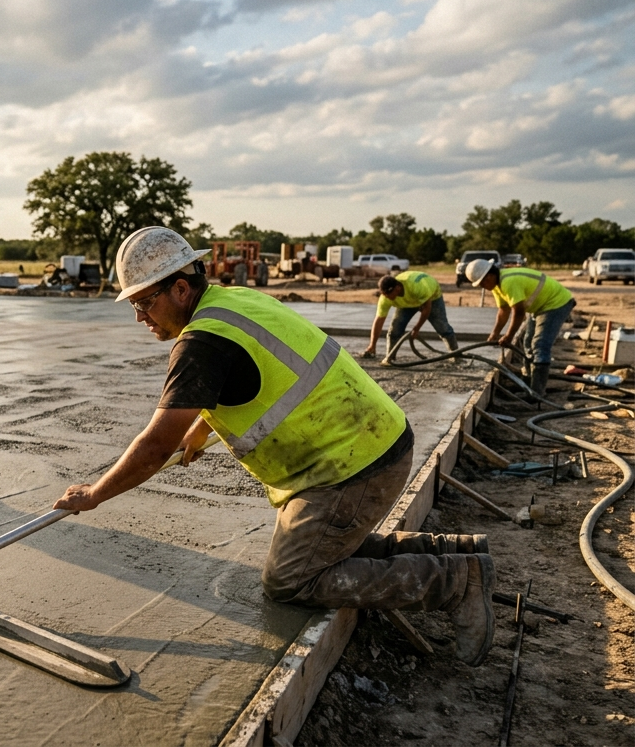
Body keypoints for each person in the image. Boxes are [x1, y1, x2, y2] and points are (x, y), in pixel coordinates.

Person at [53, 227, 496, 665]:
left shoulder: (200, 344)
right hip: (374, 442)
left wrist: (94, 494)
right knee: (327, 547)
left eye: (143, 302)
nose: (139, 317)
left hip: (350, 470)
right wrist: (203, 426)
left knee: (292, 579)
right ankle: (458, 553)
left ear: (181, 289)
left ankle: (454, 584)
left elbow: (154, 446)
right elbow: (251, 373)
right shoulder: (234, 301)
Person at [463, 259, 575, 396]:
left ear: (489, 275)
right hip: (541, 307)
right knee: (528, 342)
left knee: (540, 345)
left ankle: (537, 392)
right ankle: (527, 383)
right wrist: (495, 333)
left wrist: (509, 336)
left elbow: (519, 312)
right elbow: (504, 311)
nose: (483, 287)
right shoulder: (497, 285)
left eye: (482, 283)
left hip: (556, 304)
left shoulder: (508, 282)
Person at [362, 271, 458, 362]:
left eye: (389, 295)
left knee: (442, 327)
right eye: (385, 295)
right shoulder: (385, 298)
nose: (388, 298)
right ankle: (390, 357)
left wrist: (416, 329)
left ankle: (456, 356)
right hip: (407, 303)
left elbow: (426, 309)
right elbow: (379, 320)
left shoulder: (417, 287)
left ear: (397, 288)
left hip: (431, 297)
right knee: (395, 329)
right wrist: (372, 345)